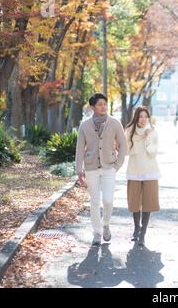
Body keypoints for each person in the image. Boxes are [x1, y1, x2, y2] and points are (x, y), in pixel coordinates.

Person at [75, 93, 127, 246]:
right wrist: (80, 170)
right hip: (91, 168)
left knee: (108, 200)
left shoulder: (115, 123)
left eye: (104, 104)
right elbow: (79, 149)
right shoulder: (84, 126)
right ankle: (97, 233)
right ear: (92, 107)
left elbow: (123, 144)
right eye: (99, 104)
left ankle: (106, 224)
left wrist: (117, 165)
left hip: (109, 167)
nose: (103, 107)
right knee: (95, 202)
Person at [124, 106, 161, 246]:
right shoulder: (129, 130)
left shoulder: (153, 132)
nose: (143, 119)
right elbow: (126, 150)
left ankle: (143, 233)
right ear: (136, 117)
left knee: (148, 203)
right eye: (140, 116)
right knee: (134, 203)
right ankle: (136, 228)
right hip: (134, 171)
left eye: (145, 116)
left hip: (150, 171)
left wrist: (147, 138)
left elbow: (153, 152)